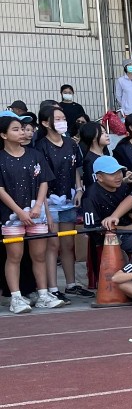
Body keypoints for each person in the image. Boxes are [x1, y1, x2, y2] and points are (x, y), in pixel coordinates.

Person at [0, 115, 61, 313]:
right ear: (3, 135)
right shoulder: (1, 158)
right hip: (10, 217)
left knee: (39, 255)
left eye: (22, 128)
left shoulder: (35, 155)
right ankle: (16, 298)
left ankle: (43, 294)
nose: (22, 132)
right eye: (15, 129)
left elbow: (44, 182)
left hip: (37, 214)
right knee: (14, 256)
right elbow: (0, 190)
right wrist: (19, 212)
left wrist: (38, 207)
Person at [35, 103, 84, 300]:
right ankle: (53, 288)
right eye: (57, 119)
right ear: (45, 123)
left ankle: (71, 284)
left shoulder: (71, 143)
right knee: (52, 245)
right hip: (50, 201)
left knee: (68, 244)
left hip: (69, 199)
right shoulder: (41, 147)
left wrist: (79, 189)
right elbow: (41, 179)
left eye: (63, 118)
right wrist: (45, 208)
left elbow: (76, 169)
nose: (62, 122)